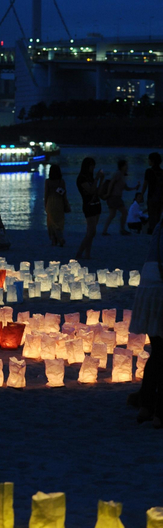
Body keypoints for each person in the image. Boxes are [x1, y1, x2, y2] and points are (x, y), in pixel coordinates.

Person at [129, 219, 163, 428]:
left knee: (158, 351)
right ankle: (159, 412)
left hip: (149, 285)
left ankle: (146, 404)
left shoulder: (159, 224)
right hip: (160, 287)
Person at [75, 157, 104, 260]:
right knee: (91, 232)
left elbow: (98, 192)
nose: (93, 168)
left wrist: (101, 180)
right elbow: (91, 190)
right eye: (92, 166)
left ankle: (87, 254)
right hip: (89, 206)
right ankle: (79, 252)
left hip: (96, 204)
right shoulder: (81, 178)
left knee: (91, 232)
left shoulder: (91, 177)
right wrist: (97, 178)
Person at [102, 160, 140, 236]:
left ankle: (104, 231)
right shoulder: (118, 173)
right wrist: (108, 193)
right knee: (124, 212)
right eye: (126, 165)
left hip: (115, 197)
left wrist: (135, 188)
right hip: (114, 197)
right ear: (122, 166)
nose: (127, 167)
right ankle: (122, 229)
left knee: (112, 214)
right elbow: (111, 183)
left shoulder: (122, 175)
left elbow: (126, 188)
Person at [44, 164, 69, 246]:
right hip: (59, 202)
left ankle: (54, 240)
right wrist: (66, 204)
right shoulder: (61, 181)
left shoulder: (48, 181)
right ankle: (60, 237)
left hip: (50, 202)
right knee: (59, 222)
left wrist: (45, 205)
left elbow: (46, 194)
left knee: (51, 222)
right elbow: (64, 194)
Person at [141, 151, 163, 235]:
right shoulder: (162, 172)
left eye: (149, 160)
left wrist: (141, 195)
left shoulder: (149, 171)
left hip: (151, 197)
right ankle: (157, 233)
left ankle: (151, 232)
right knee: (158, 217)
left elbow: (145, 185)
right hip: (160, 198)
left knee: (151, 216)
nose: (148, 161)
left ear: (152, 161)